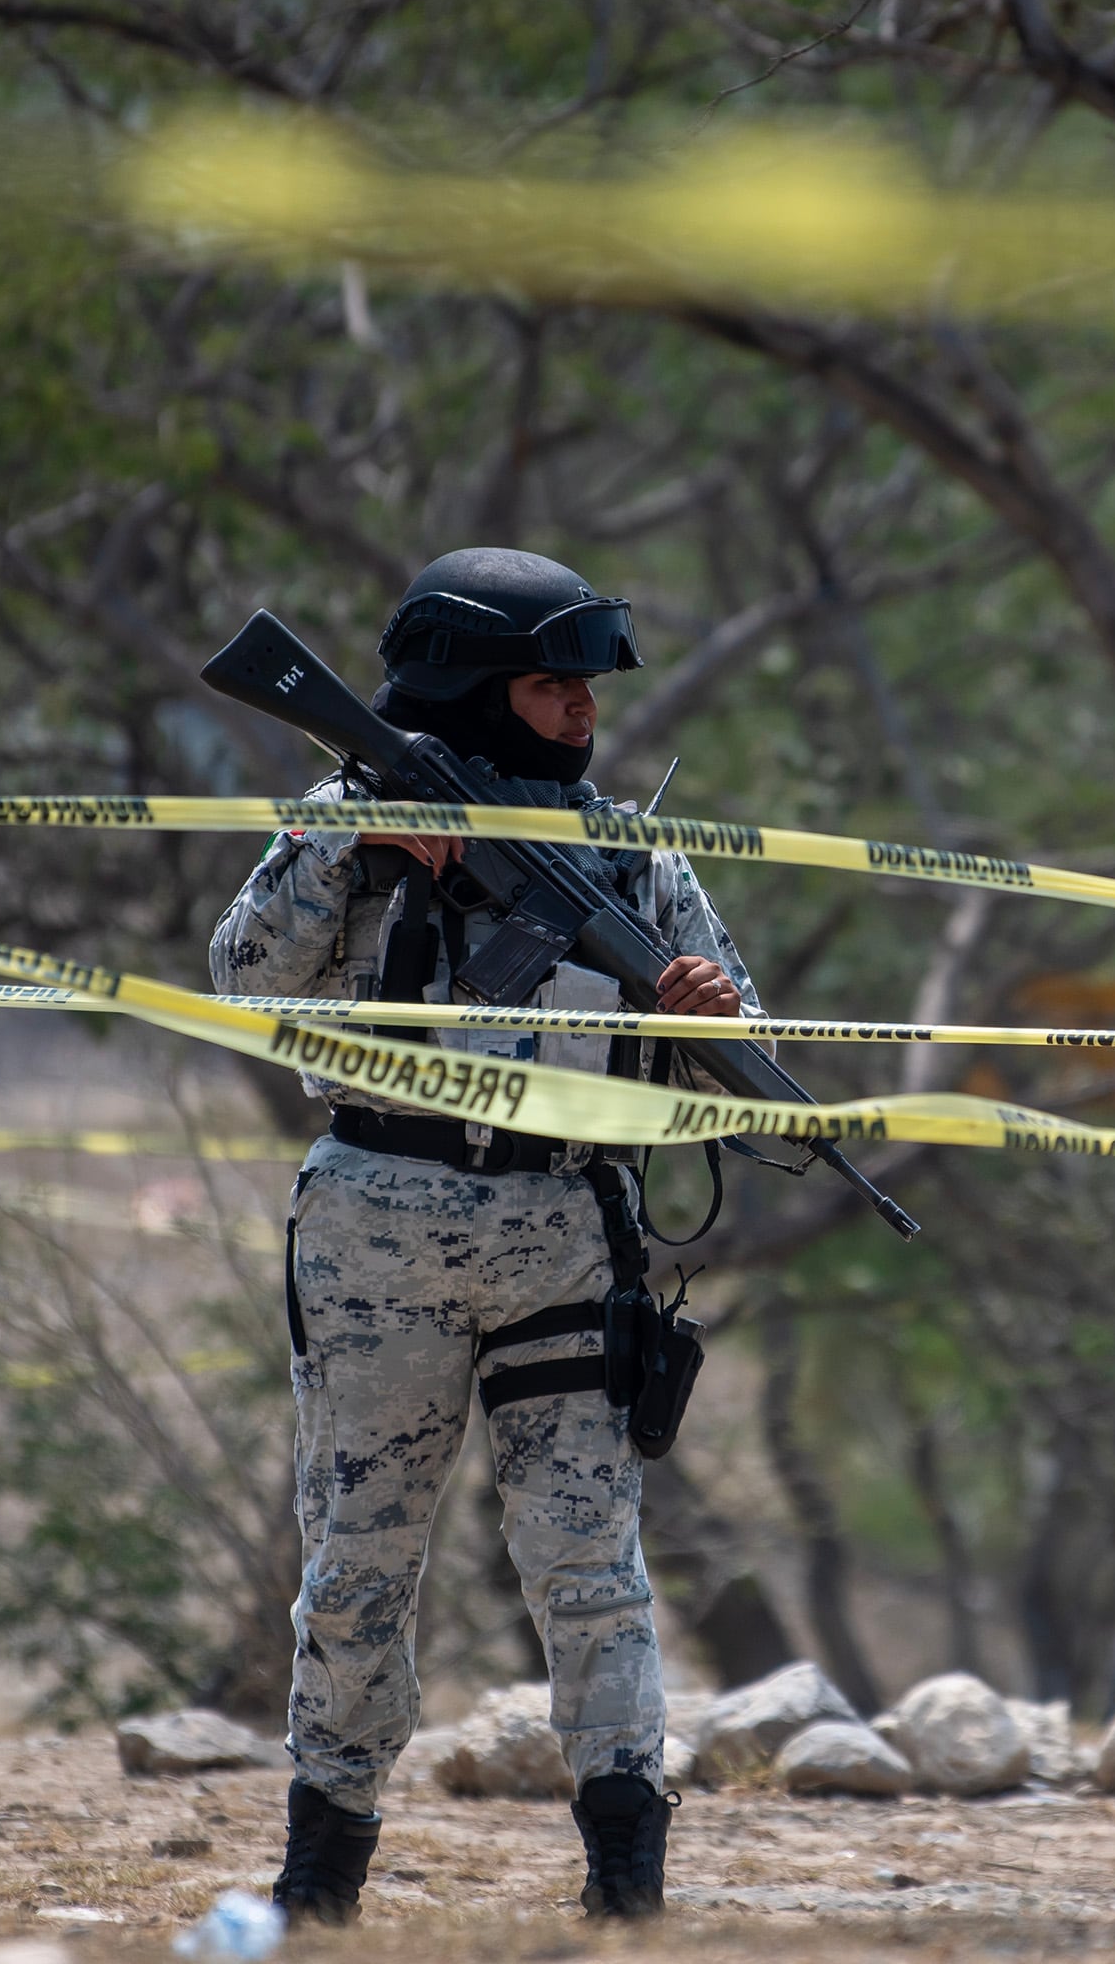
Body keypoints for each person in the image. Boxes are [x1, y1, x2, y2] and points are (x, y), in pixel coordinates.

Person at [209, 547, 762, 1923]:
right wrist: (357, 847)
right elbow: (240, 974)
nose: (581, 713)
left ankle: (626, 1882)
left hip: (566, 1234)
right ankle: (316, 1880)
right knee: (357, 1568)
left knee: (590, 1565)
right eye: (549, 686)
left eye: (586, 690)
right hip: (375, 1236)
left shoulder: (627, 847)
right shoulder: (347, 812)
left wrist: (702, 1013)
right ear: (467, 688)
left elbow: (736, 1038)